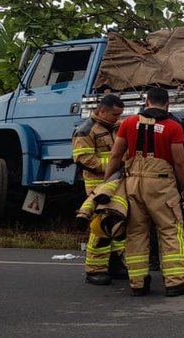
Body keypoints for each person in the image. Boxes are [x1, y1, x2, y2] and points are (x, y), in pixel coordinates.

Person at [104, 87, 184, 297]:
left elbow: (116, 156)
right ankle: (175, 283)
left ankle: (138, 283)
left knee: (136, 233)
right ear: (167, 105)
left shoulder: (128, 123)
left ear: (146, 102)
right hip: (161, 186)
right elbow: (180, 162)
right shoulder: (174, 126)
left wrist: (107, 184)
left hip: (133, 183)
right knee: (170, 231)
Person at [72, 94, 125, 285]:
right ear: (102, 110)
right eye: (114, 114)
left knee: (118, 225)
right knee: (100, 228)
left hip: (117, 183)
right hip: (97, 186)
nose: (117, 118)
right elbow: (84, 159)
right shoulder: (85, 130)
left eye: (120, 115)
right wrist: (114, 163)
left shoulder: (117, 127)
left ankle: (115, 264)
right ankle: (94, 270)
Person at [149, 112, 184, 270]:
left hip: (156, 177)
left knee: (152, 217)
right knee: (174, 216)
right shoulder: (182, 125)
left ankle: (153, 259)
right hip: (176, 178)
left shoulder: (152, 126)